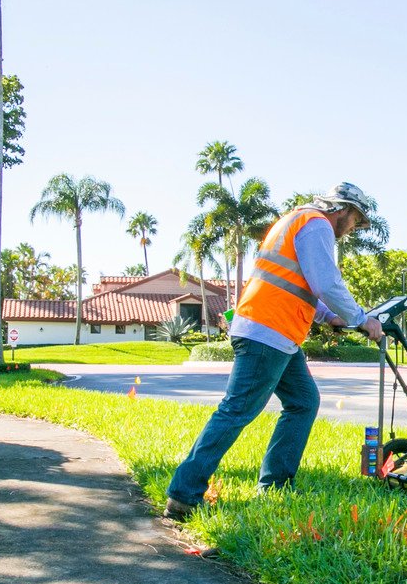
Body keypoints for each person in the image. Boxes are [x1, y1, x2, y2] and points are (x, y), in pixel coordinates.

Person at [164, 183, 384, 518]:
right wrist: (361, 318)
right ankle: (184, 493)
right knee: (236, 410)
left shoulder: (297, 220)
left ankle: (276, 485)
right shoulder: (317, 225)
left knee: (303, 401)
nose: (353, 227)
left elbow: (300, 284)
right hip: (267, 331)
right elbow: (325, 283)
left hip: (276, 332)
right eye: (355, 219)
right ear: (342, 210)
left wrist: (332, 317)